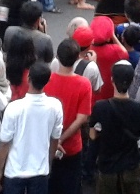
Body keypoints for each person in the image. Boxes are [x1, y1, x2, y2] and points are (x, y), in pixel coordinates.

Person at [90, 60, 140, 193]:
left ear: (112, 79)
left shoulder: (100, 107)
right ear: (132, 81)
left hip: (107, 167)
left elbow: (92, 135)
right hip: (132, 166)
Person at [0, 62, 63, 194]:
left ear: (28, 78)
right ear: (48, 81)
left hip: (14, 172)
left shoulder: (13, 108)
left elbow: (4, 143)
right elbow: (55, 140)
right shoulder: (55, 106)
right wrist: (49, 163)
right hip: (40, 171)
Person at [44, 39, 92, 194]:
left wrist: (54, 140)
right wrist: (62, 139)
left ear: (57, 56)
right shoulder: (84, 84)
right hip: (72, 146)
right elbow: (82, 118)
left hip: (46, 144)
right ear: (78, 57)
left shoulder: (46, 80)